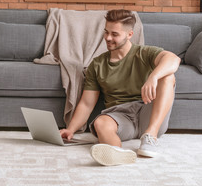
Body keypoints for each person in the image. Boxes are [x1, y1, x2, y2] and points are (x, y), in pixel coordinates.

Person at [60, 9, 181, 166]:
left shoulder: (144, 53)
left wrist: (153, 77)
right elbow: (86, 104)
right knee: (100, 123)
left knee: (168, 77)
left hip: (148, 112)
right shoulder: (97, 64)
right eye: (106, 32)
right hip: (121, 117)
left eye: (115, 34)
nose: (108, 38)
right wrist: (71, 129)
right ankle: (117, 153)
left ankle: (150, 135)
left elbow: (173, 59)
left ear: (129, 34)